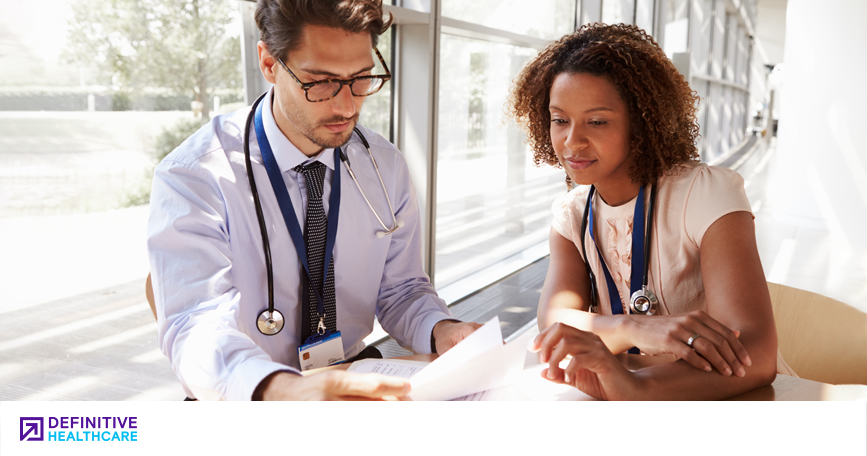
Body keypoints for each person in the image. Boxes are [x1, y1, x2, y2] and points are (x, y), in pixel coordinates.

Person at [147, 0, 479, 401]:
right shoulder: (196, 176)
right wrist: (285, 391)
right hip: (249, 394)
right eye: (320, 81)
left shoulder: (384, 166)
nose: (346, 105)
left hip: (352, 377)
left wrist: (441, 329)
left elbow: (402, 290)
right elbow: (194, 325)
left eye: (360, 78)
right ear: (269, 63)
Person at [508, 23, 793, 400]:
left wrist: (635, 387)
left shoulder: (705, 196)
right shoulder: (572, 215)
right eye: (560, 120)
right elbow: (555, 324)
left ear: (642, 123)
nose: (571, 141)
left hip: (731, 400)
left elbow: (755, 358)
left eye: (597, 121)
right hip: (627, 395)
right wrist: (633, 329)